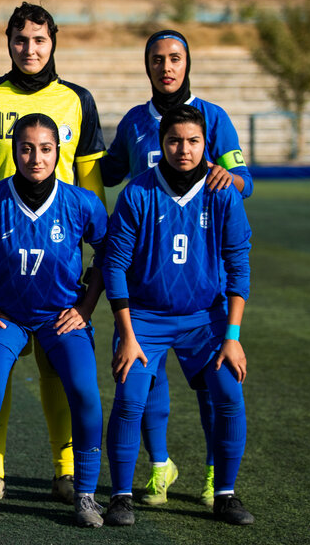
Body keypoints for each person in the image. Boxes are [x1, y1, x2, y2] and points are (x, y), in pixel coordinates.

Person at [0, 2, 106, 503]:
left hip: (57, 253)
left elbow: (90, 180)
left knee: (58, 374)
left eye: (39, 39)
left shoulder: (77, 99)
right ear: (8, 42)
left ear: (53, 42)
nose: (30, 49)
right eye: (21, 40)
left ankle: (66, 470)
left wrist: (85, 254)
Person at [100, 29, 253, 506]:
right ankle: (158, 467)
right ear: (146, 65)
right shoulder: (133, 122)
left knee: (216, 391)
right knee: (144, 388)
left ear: (187, 63)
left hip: (202, 288)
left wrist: (230, 179)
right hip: (148, 279)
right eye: (157, 59)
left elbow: (243, 179)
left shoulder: (213, 116)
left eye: (175, 58)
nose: (166, 67)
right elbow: (106, 170)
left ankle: (216, 477)